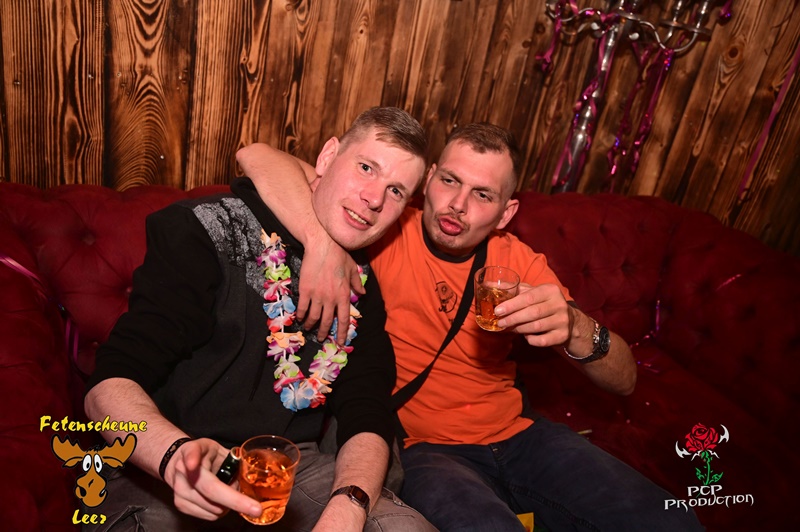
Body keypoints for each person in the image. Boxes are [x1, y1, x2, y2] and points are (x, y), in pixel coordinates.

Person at [236, 122, 704, 531]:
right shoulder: (383, 226)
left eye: (482, 195)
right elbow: (256, 156)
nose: (457, 205)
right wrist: (322, 245)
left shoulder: (519, 262)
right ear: (429, 178)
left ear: (506, 213)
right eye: (449, 181)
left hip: (522, 436)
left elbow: (625, 380)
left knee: (670, 520)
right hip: (424, 449)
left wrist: (576, 327)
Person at [83, 106, 438, 531]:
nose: (375, 198)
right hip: (163, 460)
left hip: (292, 468)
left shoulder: (361, 284)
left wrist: (350, 504)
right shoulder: (207, 230)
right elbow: (108, 385)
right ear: (327, 157)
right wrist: (174, 455)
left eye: (396, 190)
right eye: (366, 168)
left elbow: (368, 409)